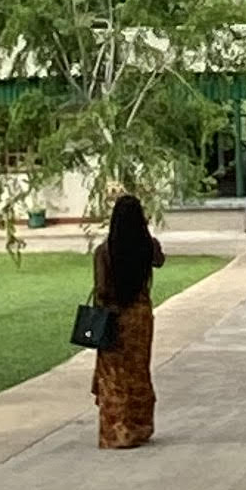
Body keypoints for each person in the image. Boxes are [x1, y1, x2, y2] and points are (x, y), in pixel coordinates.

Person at [90, 189, 164, 449]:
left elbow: (100, 290)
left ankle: (118, 430)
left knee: (114, 376)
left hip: (114, 317)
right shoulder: (148, 247)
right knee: (138, 371)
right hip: (140, 317)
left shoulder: (104, 251)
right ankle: (140, 426)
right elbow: (160, 261)